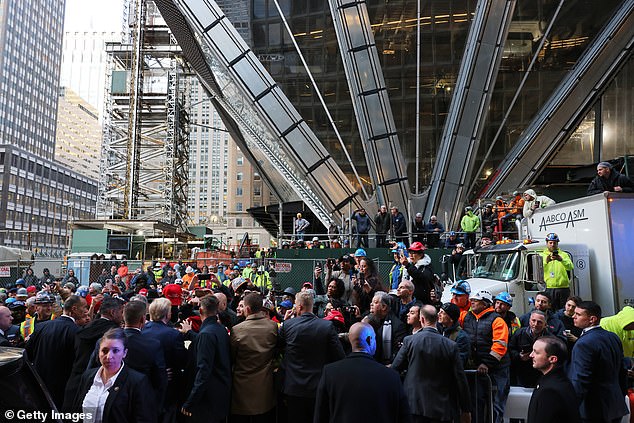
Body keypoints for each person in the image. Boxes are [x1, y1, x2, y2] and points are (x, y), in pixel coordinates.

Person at [315, 322, 410, 423]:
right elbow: (403, 417)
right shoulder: (391, 376)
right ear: (369, 340)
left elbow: (320, 416)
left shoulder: (330, 372)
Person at [392, 305, 471, 423]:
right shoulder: (450, 345)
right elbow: (460, 379)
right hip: (442, 407)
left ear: (422, 319)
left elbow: (395, 368)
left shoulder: (409, 341)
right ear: (436, 319)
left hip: (413, 405)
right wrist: (466, 410)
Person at [278, 291, 345, 423]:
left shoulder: (287, 326)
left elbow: (278, 348)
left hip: (294, 389)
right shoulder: (326, 326)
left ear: (299, 307)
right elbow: (339, 357)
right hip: (318, 388)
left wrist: (284, 322)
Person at [70, 328, 156, 423]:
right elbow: (77, 412)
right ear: (98, 353)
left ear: (124, 353)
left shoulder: (137, 382)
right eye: (104, 351)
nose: (109, 356)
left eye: (115, 351)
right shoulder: (88, 376)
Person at [567, 301, 628, 423]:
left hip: (593, 409)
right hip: (615, 405)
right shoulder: (613, 337)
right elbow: (622, 371)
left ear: (592, 319)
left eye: (578, 314)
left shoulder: (583, 344)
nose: (573, 316)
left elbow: (580, 380)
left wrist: (570, 408)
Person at [25, 295, 88, 408]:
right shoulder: (77, 332)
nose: (86, 311)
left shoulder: (42, 327)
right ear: (74, 309)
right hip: (62, 390)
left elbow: (28, 354)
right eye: (84, 307)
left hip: (39, 386)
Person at [64, 297, 125, 410]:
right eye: (121, 312)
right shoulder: (113, 334)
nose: (123, 316)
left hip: (74, 381)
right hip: (97, 386)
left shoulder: (85, 327)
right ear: (112, 312)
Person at [181, 295, 232, 423]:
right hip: (221, 394)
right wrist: (189, 333)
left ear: (201, 311)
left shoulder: (206, 334)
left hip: (207, 400)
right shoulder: (220, 329)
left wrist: (191, 400)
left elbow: (203, 371)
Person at [462, 290, 510, 423]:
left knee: (496, 403)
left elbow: (500, 346)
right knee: (477, 403)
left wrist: (487, 364)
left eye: (475, 301)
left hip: (497, 369)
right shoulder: (467, 317)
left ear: (484, 304)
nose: (472, 302)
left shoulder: (497, 320)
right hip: (477, 369)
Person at [230, 292, 279, 422]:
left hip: (241, 387)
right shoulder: (272, 327)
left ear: (247, 309)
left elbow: (232, 356)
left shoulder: (237, 330)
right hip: (265, 387)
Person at [142, 298, 187, 423]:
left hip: (145, 384)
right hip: (169, 387)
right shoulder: (173, 335)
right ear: (168, 314)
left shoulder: (142, 331)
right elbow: (182, 361)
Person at [527, 336, 580, 423]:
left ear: (552, 359)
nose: (531, 355)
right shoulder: (559, 381)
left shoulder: (550, 391)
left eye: (536, 352)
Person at [509, 310, 551, 387]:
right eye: (533, 321)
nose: (535, 324)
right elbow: (510, 349)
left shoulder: (549, 338)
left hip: (541, 374)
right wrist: (519, 356)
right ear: (529, 321)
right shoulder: (519, 333)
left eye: (539, 322)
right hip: (521, 373)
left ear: (545, 324)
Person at [368, 291, 407, 364]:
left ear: (384, 307)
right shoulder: (368, 319)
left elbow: (399, 352)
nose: (371, 304)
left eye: (375, 302)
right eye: (372, 302)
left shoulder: (398, 326)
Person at [540, 232, 573, 309]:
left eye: (554, 243)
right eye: (550, 242)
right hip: (549, 288)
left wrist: (561, 260)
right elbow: (538, 269)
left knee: (564, 310)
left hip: (563, 288)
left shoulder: (564, 255)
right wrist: (546, 261)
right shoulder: (542, 255)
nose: (552, 244)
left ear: (557, 243)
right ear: (547, 243)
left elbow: (570, 267)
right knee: (550, 310)